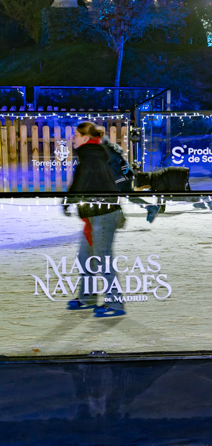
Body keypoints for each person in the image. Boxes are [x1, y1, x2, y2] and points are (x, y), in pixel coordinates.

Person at [66, 121, 127, 317]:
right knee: (85, 257)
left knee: (102, 259)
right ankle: (88, 296)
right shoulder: (89, 155)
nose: (72, 139)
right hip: (94, 214)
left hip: (104, 214)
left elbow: (81, 182)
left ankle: (116, 303)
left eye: (75, 135)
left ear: (84, 138)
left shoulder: (90, 156)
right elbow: (82, 181)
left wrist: (70, 199)